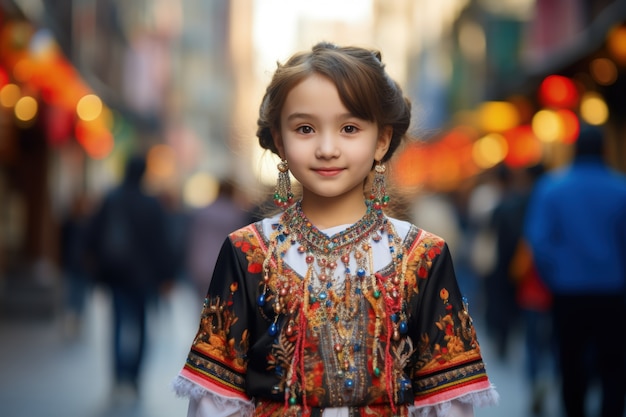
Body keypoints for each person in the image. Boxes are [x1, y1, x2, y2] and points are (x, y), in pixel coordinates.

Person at [173, 42, 498, 417]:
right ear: (279, 140)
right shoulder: (248, 251)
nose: (327, 148)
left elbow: (448, 402)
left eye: (349, 128)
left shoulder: (423, 256)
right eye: (306, 128)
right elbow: (214, 402)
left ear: (382, 140)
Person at [524, 123, 626, 417]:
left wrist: (556, 275)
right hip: (612, 291)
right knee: (613, 365)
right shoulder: (620, 190)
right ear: (605, 150)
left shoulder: (552, 188)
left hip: (568, 291)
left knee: (570, 362)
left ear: (574, 149)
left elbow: (539, 242)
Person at [86, 154, 174, 401]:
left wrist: (92, 264)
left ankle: (118, 376)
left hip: (116, 273)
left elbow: (93, 234)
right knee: (143, 325)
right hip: (144, 277)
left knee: (117, 323)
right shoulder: (151, 204)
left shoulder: (111, 199)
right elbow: (163, 242)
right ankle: (134, 377)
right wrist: (167, 275)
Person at [186, 180, 249, 300]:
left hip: (201, 262)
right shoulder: (235, 215)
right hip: (223, 262)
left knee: (201, 299)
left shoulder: (203, 212)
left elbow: (194, 238)